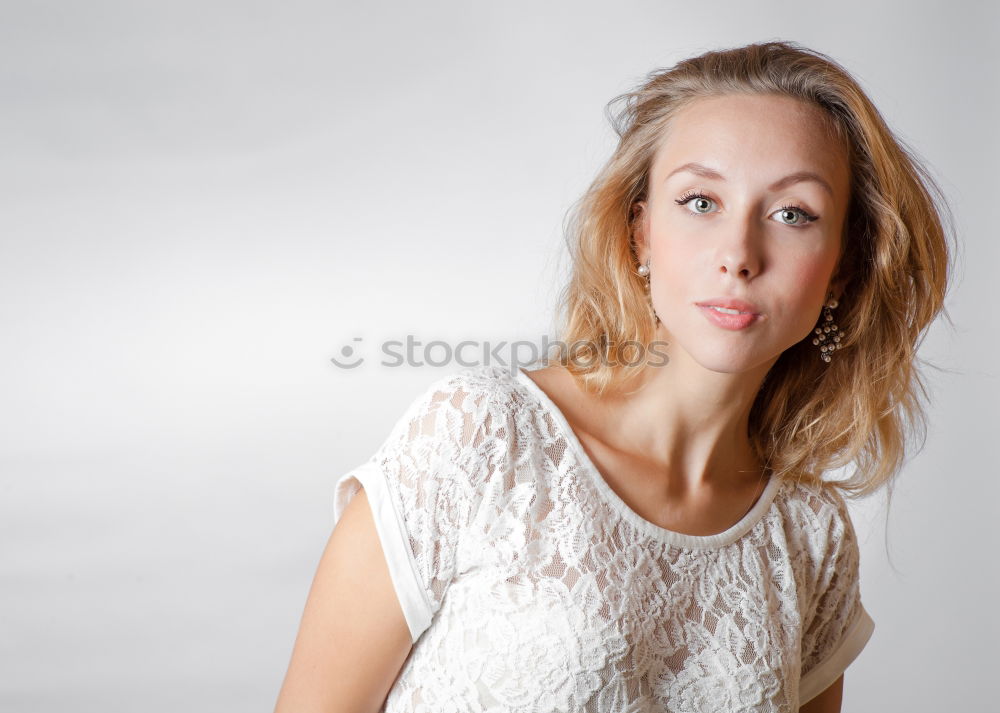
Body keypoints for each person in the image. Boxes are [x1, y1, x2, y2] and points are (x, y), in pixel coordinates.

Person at [274, 40, 952, 713]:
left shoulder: (812, 534)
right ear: (640, 234)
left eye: (792, 213)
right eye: (700, 201)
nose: (739, 254)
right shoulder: (479, 437)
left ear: (842, 264)